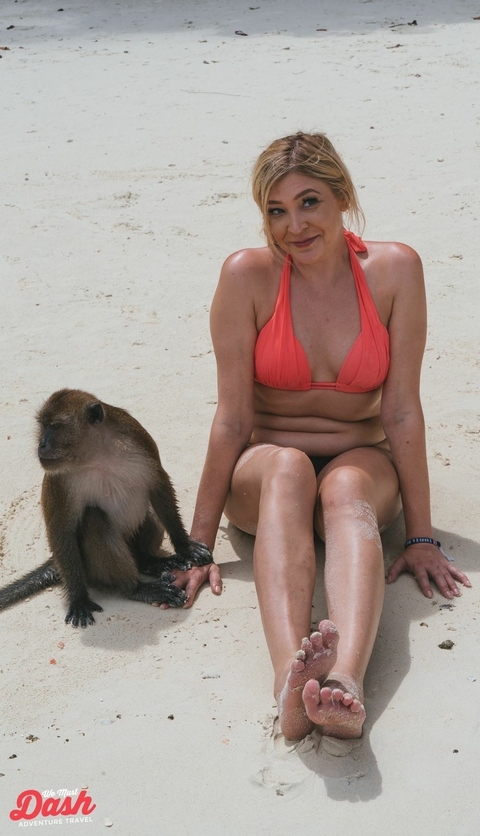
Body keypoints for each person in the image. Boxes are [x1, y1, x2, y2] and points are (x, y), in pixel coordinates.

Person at [172, 132, 471, 741]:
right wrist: (197, 544)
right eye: (276, 211)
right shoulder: (246, 278)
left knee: (346, 486)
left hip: (360, 459)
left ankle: (343, 685)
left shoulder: (395, 271)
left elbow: (402, 413)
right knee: (289, 469)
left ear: (343, 197)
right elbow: (231, 419)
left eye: (309, 202)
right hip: (267, 472)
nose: (293, 226)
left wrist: (419, 536)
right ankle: (290, 681)